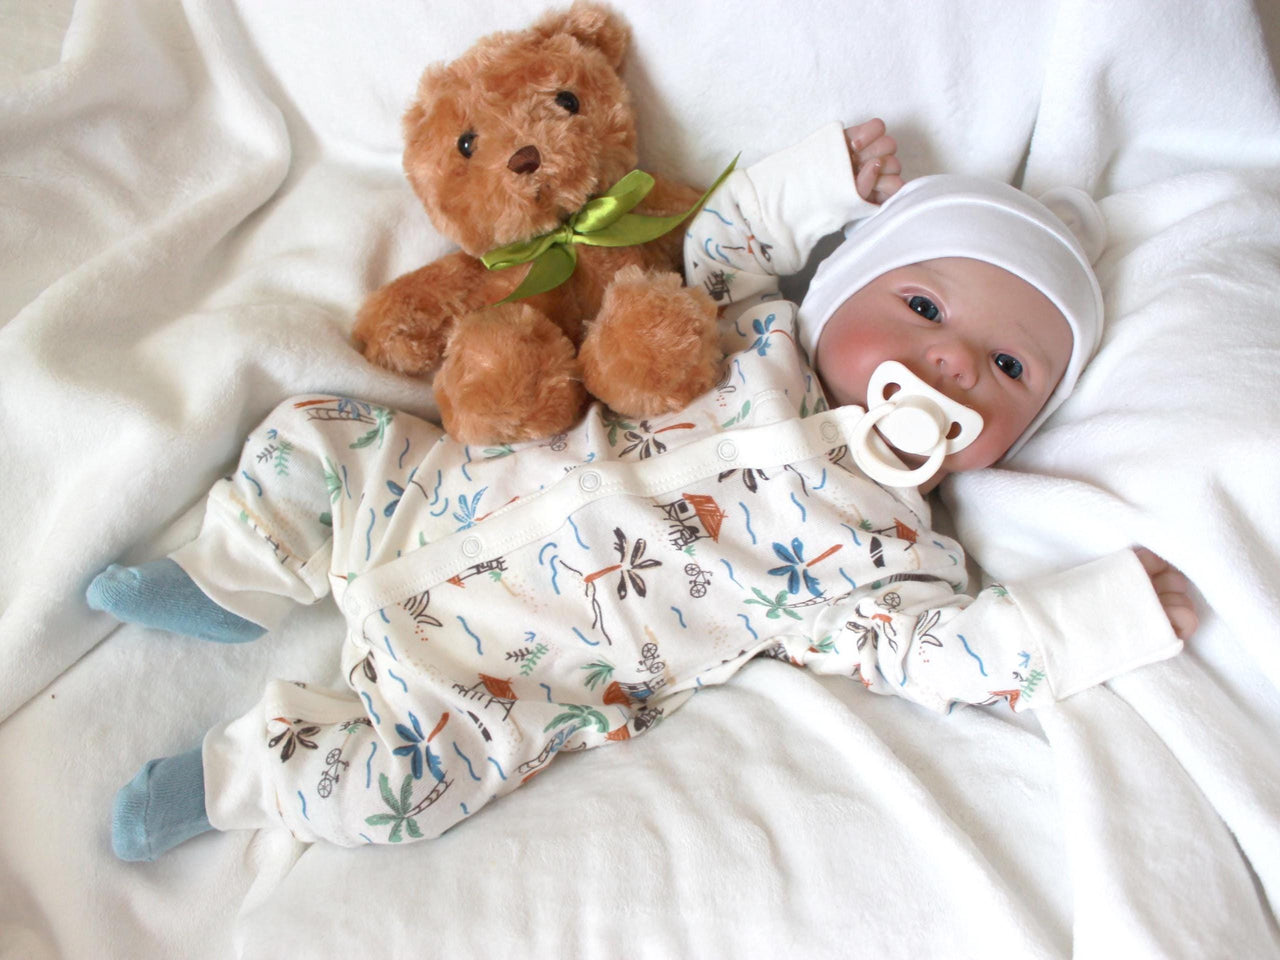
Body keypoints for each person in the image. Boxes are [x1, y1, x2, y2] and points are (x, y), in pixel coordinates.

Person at [87, 119, 1196, 862]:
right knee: (321, 433)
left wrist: (1097, 615)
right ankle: (232, 571)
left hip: (501, 680)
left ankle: (241, 777)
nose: (954, 361)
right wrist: (823, 180)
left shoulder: (893, 557)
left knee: (408, 798)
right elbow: (722, 235)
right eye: (920, 305)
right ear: (843, 286)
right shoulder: (744, 332)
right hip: (427, 496)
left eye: (1009, 370)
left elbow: (940, 655)